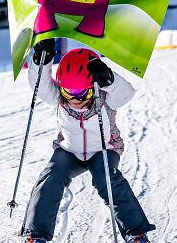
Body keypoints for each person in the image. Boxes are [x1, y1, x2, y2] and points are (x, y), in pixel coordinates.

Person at [21, 39, 155, 243]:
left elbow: (125, 94)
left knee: (107, 179)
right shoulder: (58, 97)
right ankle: (36, 235)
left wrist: (109, 79)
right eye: (69, 92)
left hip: (104, 149)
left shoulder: (106, 98)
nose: (76, 99)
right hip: (69, 150)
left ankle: (136, 233)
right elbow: (40, 86)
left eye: (83, 93)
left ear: (93, 86)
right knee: (50, 177)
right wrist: (41, 62)